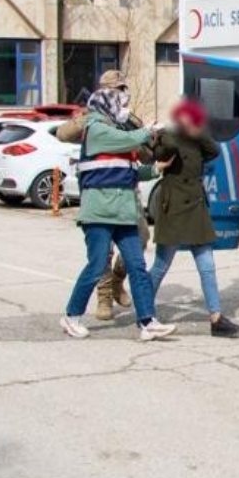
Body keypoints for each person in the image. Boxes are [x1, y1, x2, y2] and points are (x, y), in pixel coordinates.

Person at [60, 79, 176, 342]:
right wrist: (148, 131)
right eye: (121, 104)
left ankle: (148, 321)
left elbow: (131, 171)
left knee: (137, 265)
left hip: (123, 212)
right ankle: (71, 315)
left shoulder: (115, 133)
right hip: (99, 213)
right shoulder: (98, 129)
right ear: (107, 106)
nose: (125, 108)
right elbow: (128, 139)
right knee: (97, 264)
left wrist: (157, 168)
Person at [56, 70, 152, 322]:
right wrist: (88, 118)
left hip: (127, 193)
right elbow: (62, 134)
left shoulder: (128, 118)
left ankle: (120, 281)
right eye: (116, 89)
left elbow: (145, 152)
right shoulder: (93, 119)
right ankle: (104, 295)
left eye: (123, 88)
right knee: (101, 254)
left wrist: (137, 141)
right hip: (100, 193)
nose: (121, 93)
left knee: (141, 240)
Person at [148, 99, 239, 338]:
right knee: (161, 265)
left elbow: (214, 151)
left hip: (196, 207)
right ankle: (144, 308)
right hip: (174, 208)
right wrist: (171, 130)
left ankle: (216, 318)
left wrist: (196, 132)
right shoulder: (167, 135)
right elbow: (160, 152)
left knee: (207, 266)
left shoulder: (198, 137)